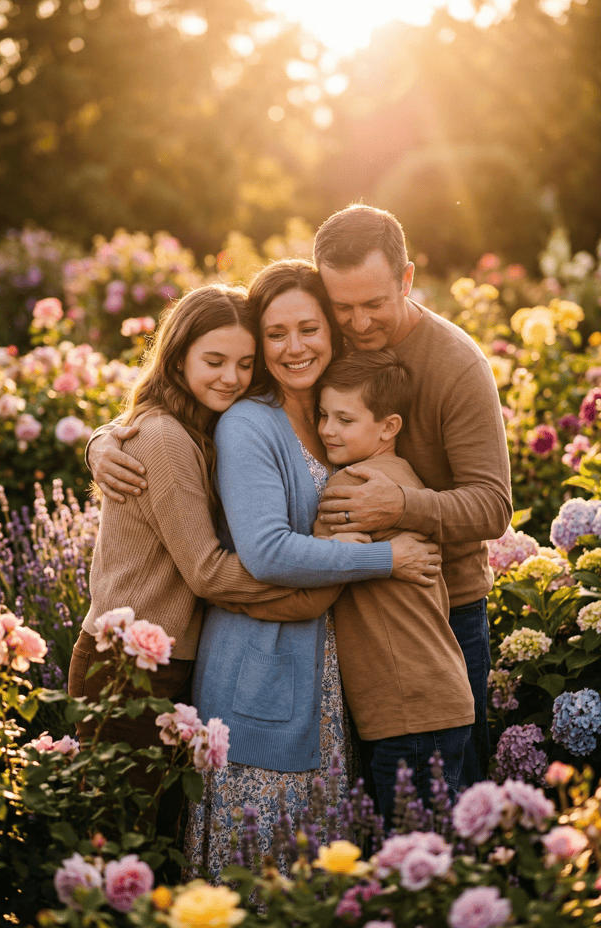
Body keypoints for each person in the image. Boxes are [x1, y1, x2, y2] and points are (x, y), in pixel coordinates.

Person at [68, 284, 379, 844]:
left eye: (243, 363)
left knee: (154, 843)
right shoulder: (164, 436)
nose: (230, 378)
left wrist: (100, 440)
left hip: (165, 661)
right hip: (124, 668)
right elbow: (208, 573)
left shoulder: (203, 423)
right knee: (117, 845)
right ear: (177, 355)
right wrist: (322, 581)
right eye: (213, 361)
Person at [181, 261, 441, 878]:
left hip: (325, 669)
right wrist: (387, 558)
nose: (294, 347)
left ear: (331, 329)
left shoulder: (336, 409)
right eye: (275, 334)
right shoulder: (250, 421)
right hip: (261, 668)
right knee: (262, 874)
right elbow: (267, 551)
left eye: (309, 328)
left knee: (318, 873)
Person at [313, 205, 512, 784]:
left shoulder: (456, 364)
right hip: (353, 605)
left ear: (406, 278)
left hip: (443, 611)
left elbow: (492, 506)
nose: (358, 322)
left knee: (444, 795)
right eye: (342, 305)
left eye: (374, 303)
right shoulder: (327, 340)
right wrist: (109, 441)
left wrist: (398, 507)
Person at [312, 349, 474, 829]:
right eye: (321, 415)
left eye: (344, 418)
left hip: (411, 709)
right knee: (435, 853)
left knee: (413, 861)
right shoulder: (400, 478)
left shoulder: (354, 486)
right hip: (433, 697)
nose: (326, 429)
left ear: (389, 426)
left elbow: (315, 560)